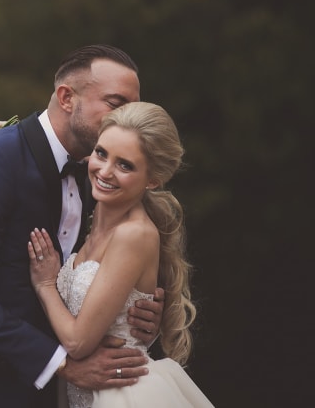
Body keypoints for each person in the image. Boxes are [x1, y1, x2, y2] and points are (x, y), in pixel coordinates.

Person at [0, 45, 165, 408]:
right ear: (67, 98)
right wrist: (63, 364)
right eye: (116, 104)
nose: (127, 119)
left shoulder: (98, 180)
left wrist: (135, 311)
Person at [28, 101, 214, 407]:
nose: (105, 171)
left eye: (125, 165)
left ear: (152, 180)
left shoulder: (134, 234)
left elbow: (77, 342)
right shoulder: (92, 217)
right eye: (101, 153)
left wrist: (46, 286)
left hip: (125, 396)